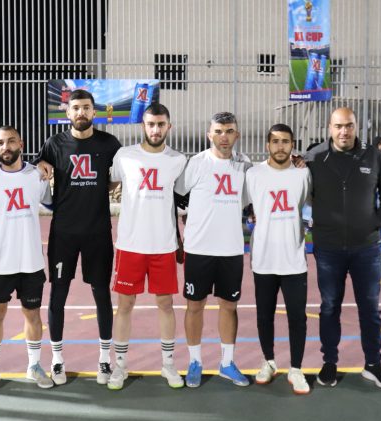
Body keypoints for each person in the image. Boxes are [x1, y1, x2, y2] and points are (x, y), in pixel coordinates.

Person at [303, 107, 381, 390]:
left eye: (349, 125)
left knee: (370, 308)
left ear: (356, 127)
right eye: (338, 126)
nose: (344, 131)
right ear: (329, 128)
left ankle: (373, 364)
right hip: (328, 248)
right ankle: (329, 363)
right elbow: (298, 189)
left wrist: (377, 222)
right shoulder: (314, 157)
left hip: (365, 248)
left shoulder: (372, 155)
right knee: (329, 307)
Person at [35, 89, 122, 385]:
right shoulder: (54, 143)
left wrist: (111, 186)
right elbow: (38, 165)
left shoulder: (109, 144)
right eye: (75, 108)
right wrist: (40, 164)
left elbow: (120, 175)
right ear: (67, 112)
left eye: (86, 107)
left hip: (98, 232)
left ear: (94, 112)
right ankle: (57, 359)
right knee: (58, 294)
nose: (81, 112)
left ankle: (105, 359)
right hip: (64, 233)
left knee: (101, 294)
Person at [106, 103, 187, 390]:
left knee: (166, 304)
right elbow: (108, 184)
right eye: (151, 124)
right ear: (143, 125)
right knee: (125, 305)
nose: (155, 129)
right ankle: (120, 366)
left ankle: (168, 364)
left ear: (169, 127)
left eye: (161, 124)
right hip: (131, 244)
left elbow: (184, 197)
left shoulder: (178, 160)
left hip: (163, 245)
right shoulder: (125, 156)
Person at [174, 112, 252, 388]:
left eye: (229, 131)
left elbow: (247, 201)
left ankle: (227, 363)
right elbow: (177, 199)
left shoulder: (245, 165)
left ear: (236, 135)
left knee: (229, 306)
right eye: (218, 131)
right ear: (209, 135)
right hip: (199, 249)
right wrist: (178, 238)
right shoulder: (196, 163)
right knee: (195, 305)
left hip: (231, 249)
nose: (223, 136)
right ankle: (195, 361)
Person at [0, 126, 54, 393]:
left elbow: (52, 204)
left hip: (31, 260)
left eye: (10, 141)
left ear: (21, 143)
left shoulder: (37, 176)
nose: (5, 147)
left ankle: (34, 365)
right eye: (0, 143)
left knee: (33, 314)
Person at [246, 123, 312, 395]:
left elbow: (308, 203)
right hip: (263, 258)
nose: (280, 146)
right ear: (267, 145)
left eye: (285, 141)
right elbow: (245, 206)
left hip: (294, 258)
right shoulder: (253, 174)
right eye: (275, 141)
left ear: (292, 145)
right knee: (265, 315)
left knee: (298, 317)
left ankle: (296, 369)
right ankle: (269, 362)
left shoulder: (302, 174)